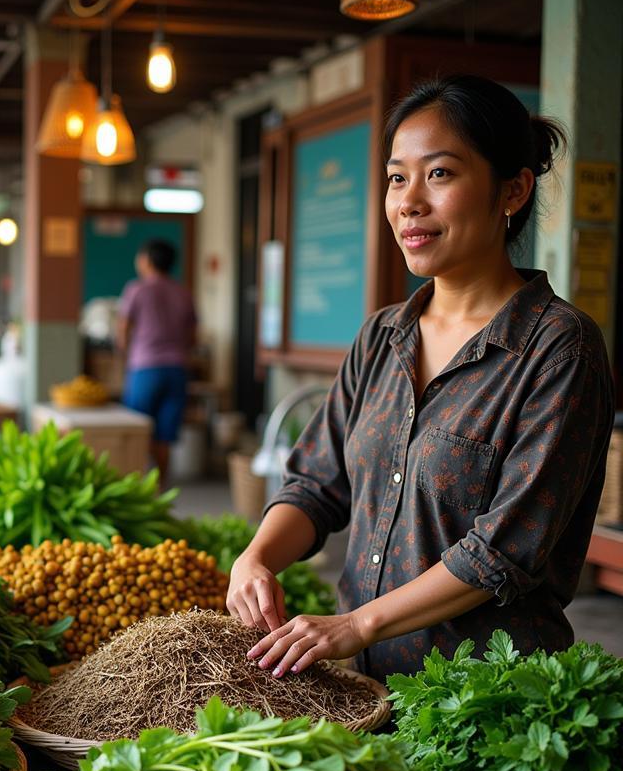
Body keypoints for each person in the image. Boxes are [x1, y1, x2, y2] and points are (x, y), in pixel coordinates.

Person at [229, 75, 614, 682]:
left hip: (484, 709)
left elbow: (503, 551)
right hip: (360, 688)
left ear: (512, 190)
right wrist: (255, 559)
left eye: (439, 174)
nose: (409, 201)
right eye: (396, 177)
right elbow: (316, 485)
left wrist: (357, 624)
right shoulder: (382, 337)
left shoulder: (559, 349)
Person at [116, 239, 197, 482]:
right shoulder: (183, 293)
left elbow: (123, 330)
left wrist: (125, 355)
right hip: (177, 369)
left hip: (145, 368)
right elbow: (193, 335)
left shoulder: (136, 290)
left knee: (138, 430)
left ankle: (138, 485)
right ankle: (161, 486)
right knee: (165, 434)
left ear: (147, 260)